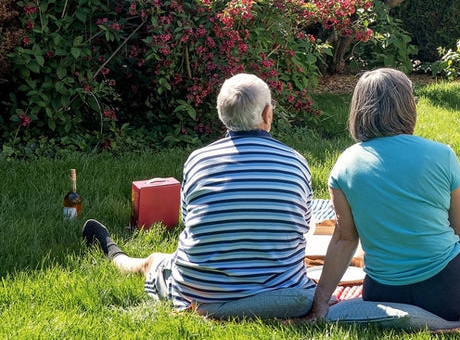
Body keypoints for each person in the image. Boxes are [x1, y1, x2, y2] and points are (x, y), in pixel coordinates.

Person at [306, 68, 460, 338]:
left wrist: (320, 305)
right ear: (409, 107)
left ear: (358, 111)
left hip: (383, 290)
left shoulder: (345, 164)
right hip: (450, 287)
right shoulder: (442, 155)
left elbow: (344, 239)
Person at [82, 73, 316, 319]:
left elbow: (191, 222)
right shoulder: (295, 162)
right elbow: (301, 224)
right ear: (268, 114)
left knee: (154, 261)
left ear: (222, 115)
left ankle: (115, 254)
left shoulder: (199, 161)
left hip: (202, 292)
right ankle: (115, 254)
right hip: (280, 291)